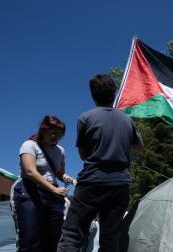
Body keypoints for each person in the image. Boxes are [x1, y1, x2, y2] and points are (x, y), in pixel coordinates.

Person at [57, 74, 142, 252]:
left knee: (73, 234)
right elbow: (138, 146)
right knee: (110, 239)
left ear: (93, 95)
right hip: (119, 185)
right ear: (114, 93)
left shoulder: (85, 118)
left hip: (91, 183)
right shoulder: (127, 120)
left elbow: (82, 153)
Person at [10, 115, 76, 252]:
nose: (55, 137)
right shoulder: (29, 145)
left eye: (59, 135)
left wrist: (72, 180)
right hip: (30, 190)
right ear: (44, 129)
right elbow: (30, 171)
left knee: (52, 238)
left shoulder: (60, 151)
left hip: (53, 196)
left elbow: (60, 173)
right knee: (30, 237)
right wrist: (53, 189)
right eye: (52, 132)